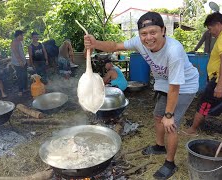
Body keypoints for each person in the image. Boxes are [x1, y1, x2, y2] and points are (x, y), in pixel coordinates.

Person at [84, 12, 199, 179]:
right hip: (165, 82)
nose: (148, 38)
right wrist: (95, 43)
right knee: (157, 116)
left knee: (170, 124)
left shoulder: (174, 51)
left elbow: (175, 88)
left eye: (153, 32)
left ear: (163, 30)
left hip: (184, 85)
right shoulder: (139, 42)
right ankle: (160, 146)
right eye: (144, 33)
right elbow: (114, 46)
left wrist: (169, 115)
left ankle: (170, 163)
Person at [11, 30, 28, 96]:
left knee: (24, 76)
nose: (23, 37)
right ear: (19, 35)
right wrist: (20, 61)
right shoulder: (14, 42)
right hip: (18, 63)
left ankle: (25, 88)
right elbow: (16, 53)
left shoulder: (19, 42)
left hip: (23, 62)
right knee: (20, 76)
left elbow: (21, 52)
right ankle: (20, 90)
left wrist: (24, 61)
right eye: (22, 35)